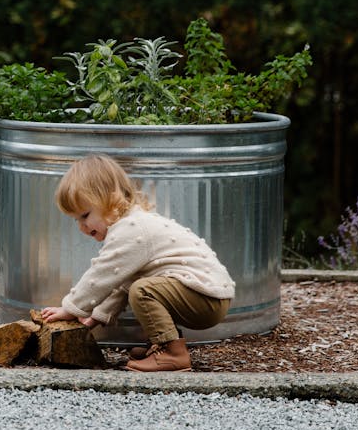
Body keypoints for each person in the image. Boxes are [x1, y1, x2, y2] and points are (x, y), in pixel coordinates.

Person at [41, 154, 235, 372]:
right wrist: (95, 316)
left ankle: (173, 353)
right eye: (76, 219)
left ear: (109, 199)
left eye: (85, 215)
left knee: (143, 291)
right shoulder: (132, 225)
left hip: (205, 298)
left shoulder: (131, 229)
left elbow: (101, 275)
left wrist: (71, 307)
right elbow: (119, 283)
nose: (81, 227)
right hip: (205, 295)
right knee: (142, 285)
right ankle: (161, 346)